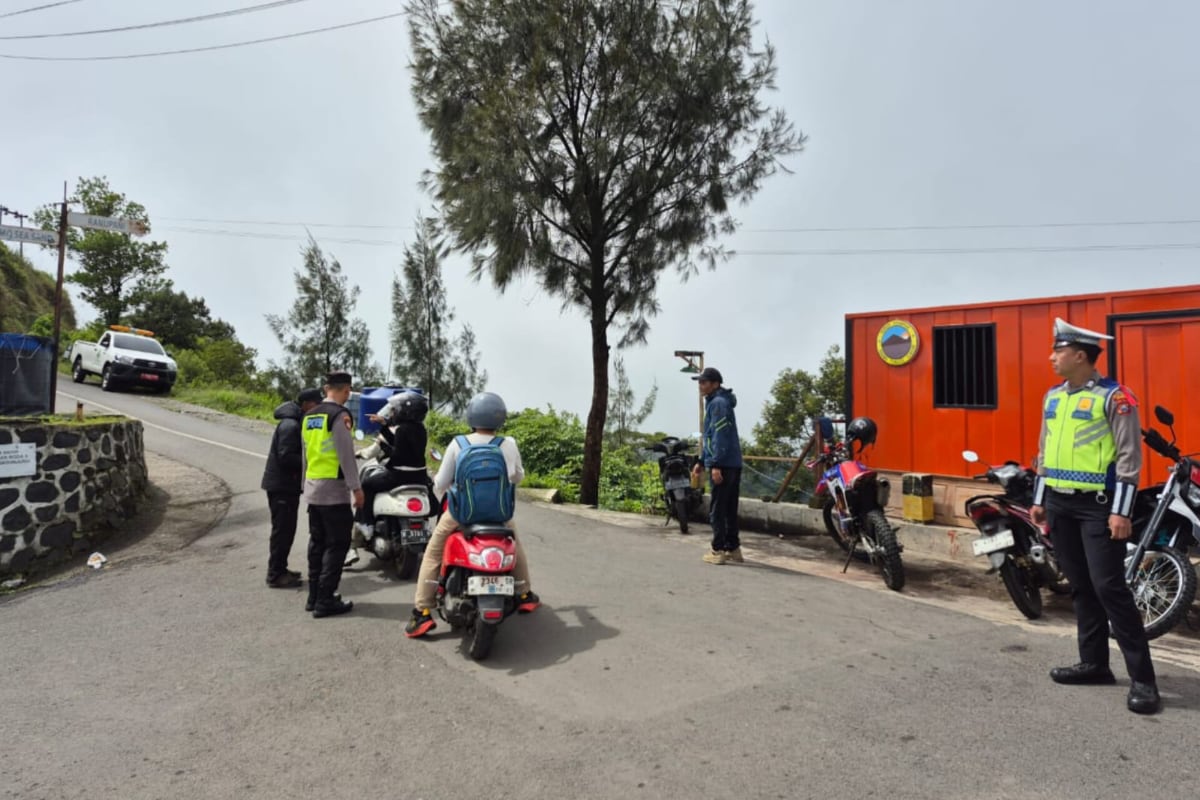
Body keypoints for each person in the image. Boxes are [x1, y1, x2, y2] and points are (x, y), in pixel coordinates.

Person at [1029, 318, 1160, 714]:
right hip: (1059, 505)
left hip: (1099, 508)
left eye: (1058, 351)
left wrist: (1121, 511)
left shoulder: (1115, 397)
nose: (1051, 358)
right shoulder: (1053, 397)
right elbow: (1044, 450)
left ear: (1081, 356)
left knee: (1109, 588)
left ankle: (1143, 680)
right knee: (1081, 586)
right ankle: (1095, 664)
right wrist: (1040, 498)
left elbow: (1129, 459)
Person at [404, 391, 539, 638]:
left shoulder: (458, 444)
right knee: (515, 545)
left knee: (433, 554)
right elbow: (517, 477)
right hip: (499, 515)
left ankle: (421, 612)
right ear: (501, 418)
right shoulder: (508, 444)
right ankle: (524, 595)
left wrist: (447, 485)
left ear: (471, 416)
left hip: (461, 514)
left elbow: (441, 483)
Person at [300, 371, 364, 618]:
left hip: (313, 489)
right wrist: (356, 488)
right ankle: (325, 600)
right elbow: (346, 455)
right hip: (333, 493)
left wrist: (305, 485)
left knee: (317, 543)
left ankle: (314, 595)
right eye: (348, 392)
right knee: (337, 545)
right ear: (346, 390)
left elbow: (306, 453)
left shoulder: (309, 415)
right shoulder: (340, 415)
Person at [349, 389, 435, 564]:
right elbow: (400, 444)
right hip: (418, 477)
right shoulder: (420, 429)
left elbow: (398, 454)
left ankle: (366, 523)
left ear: (407, 411)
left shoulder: (403, 429)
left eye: (397, 409)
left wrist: (385, 447)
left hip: (399, 476)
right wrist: (384, 424)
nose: (394, 412)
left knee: (367, 484)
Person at [261, 387, 323, 588]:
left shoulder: (296, 422)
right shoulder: (290, 425)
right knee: (282, 532)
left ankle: (281, 569)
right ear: (306, 404)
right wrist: (310, 461)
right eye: (316, 404)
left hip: (287, 486)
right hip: (282, 487)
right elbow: (286, 457)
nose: (318, 408)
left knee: (287, 531)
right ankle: (275, 575)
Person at [690, 367, 744, 565]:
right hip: (732, 463)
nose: (700, 386)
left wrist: (715, 465)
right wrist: (701, 461)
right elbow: (710, 437)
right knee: (729, 508)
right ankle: (733, 548)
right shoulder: (719, 402)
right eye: (699, 382)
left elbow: (719, 436)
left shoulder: (718, 404)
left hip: (724, 465)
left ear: (715, 384)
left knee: (718, 510)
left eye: (704, 382)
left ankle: (718, 550)